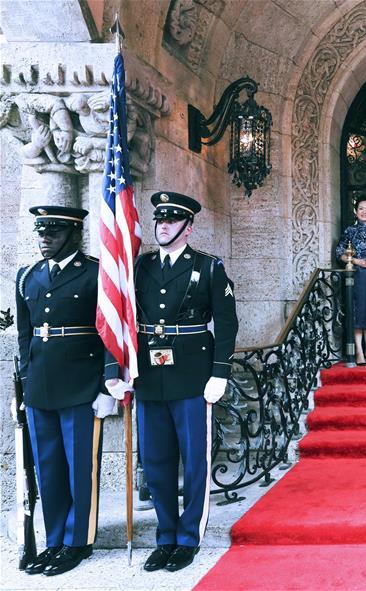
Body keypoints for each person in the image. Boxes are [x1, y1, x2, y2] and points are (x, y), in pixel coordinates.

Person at [105, 191, 238, 573]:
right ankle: (165, 534)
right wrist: (116, 369)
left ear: (188, 227)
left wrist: (220, 372)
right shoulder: (140, 266)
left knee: (195, 460)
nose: (163, 225)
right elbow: (120, 317)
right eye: (160, 219)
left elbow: (226, 324)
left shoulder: (209, 268)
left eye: (172, 220)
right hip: (149, 375)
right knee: (157, 461)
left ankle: (188, 537)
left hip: (192, 376)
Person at [13, 206, 116, 576]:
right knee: (48, 467)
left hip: (80, 385)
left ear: (73, 234)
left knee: (79, 468)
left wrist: (108, 384)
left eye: (53, 232)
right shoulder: (28, 276)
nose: (45, 239)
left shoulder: (94, 274)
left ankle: (77, 541)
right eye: (41, 232)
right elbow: (25, 337)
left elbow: (109, 332)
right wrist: (24, 386)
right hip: (40, 385)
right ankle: (54, 539)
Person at [336, 196, 366, 365]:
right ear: (356, 212)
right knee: (357, 312)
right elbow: (339, 253)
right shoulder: (349, 231)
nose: (364, 212)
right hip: (356, 275)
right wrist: (356, 261)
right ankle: (358, 351)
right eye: (361, 209)